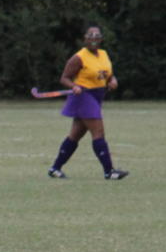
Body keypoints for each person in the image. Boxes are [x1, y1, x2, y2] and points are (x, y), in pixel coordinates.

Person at [46, 25, 129, 180]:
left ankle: (54, 169)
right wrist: (74, 86)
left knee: (75, 135)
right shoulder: (79, 57)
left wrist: (113, 81)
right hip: (83, 96)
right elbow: (64, 78)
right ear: (85, 39)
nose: (93, 39)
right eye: (90, 36)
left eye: (96, 36)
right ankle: (109, 171)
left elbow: (109, 75)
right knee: (98, 133)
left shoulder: (104, 54)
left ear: (101, 39)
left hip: (98, 96)